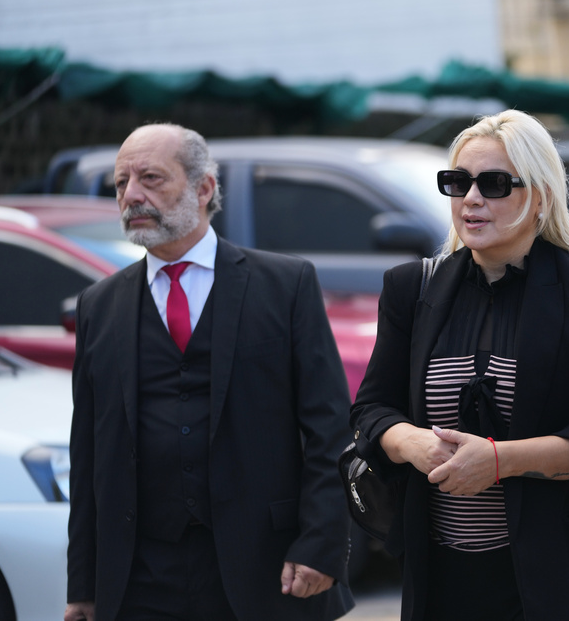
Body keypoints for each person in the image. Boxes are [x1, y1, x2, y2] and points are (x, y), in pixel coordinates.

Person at [349, 109, 569, 620]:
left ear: (540, 197)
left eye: (494, 183)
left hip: (560, 579)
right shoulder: (410, 288)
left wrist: (500, 460)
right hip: (443, 578)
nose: (471, 199)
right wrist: (410, 442)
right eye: (458, 182)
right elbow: (372, 409)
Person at [65, 124, 354, 621]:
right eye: (120, 183)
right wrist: (83, 585)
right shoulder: (100, 305)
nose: (131, 195)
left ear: (204, 188)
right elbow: (89, 452)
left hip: (265, 571)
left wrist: (322, 543)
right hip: (140, 577)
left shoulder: (286, 286)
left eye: (150, 178)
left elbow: (330, 430)